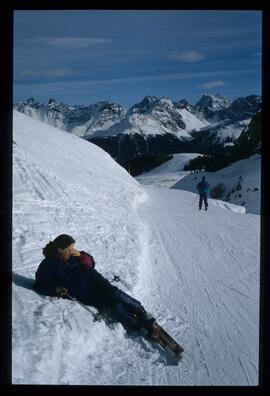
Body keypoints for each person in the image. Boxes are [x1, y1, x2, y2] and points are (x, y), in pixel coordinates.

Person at [33, 234, 156, 336]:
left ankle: (140, 311)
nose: (72, 251)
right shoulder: (48, 264)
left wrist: (81, 255)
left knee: (114, 293)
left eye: (73, 248)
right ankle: (136, 326)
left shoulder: (74, 256)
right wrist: (55, 289)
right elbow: (40, 284)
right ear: (60, 250)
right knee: (113, 306)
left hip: (95, 281)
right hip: (85, 294)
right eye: (69, 249)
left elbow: (91, 263)